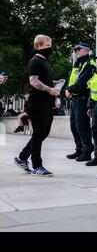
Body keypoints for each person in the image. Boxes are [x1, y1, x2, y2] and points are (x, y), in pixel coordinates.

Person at [14, 34, 60, 176]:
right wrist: (49, 89)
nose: (50, 47)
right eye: (48, 44)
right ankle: (37, 166)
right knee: (39, 133)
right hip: (37, 104)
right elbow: (34, 81)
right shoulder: (35, 61)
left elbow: (43, 80)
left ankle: (22, 157)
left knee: (43, 133)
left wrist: (55, 87)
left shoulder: (44, 62)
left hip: (46, 103)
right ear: (39, 45)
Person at [65, 43, 97, 162]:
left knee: (82, 126)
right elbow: (72, 79)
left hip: (83, 98)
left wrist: (70, 90)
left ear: (86, 51)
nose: (76, 51)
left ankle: (87, 151)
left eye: (78, 49)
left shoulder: (89, 64)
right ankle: (79, 149)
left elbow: (83, 82)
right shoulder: (78, 63)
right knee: (74, 126)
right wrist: (68, 90)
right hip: (75, 98)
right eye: (75, 50)